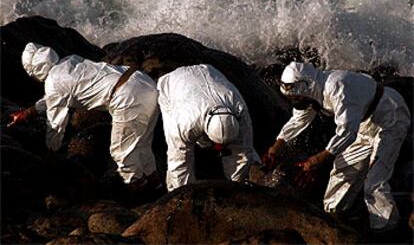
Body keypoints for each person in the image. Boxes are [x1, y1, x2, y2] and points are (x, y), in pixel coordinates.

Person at [263, 61, 410, 232]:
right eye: (290, 99)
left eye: (296, 98)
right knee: (343, 169)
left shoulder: (336, 86)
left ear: (307, 86)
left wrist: (320, 158)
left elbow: (347, 131)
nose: (295, 102)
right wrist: (276, 147)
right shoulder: (311, 93)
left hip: (389, 116)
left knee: (374, 179)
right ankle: (334, 218)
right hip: (363, 123)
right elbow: (298, 120)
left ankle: (386, 228)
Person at [8, 42, 161, 193]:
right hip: (141, 81)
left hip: (127, 97)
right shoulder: (70, 60)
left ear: (34, 70)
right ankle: (155, 185)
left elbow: (56, 125)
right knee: (142, 144)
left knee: (120, 151)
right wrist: (30, 111)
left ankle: (136, 190)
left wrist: (51, 152)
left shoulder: (53, 83)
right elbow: (53, 97)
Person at [157, 64, 260, 192]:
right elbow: (179, 163)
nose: (221, 149)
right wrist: (183, 195)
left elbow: (243, 152)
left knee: (244, 150)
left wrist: (237, 187)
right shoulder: (185, 124)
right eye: (219, 145)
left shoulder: (240, 110)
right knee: (177, 158)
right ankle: (171, 191)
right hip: (171, 85)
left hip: (208, 71)